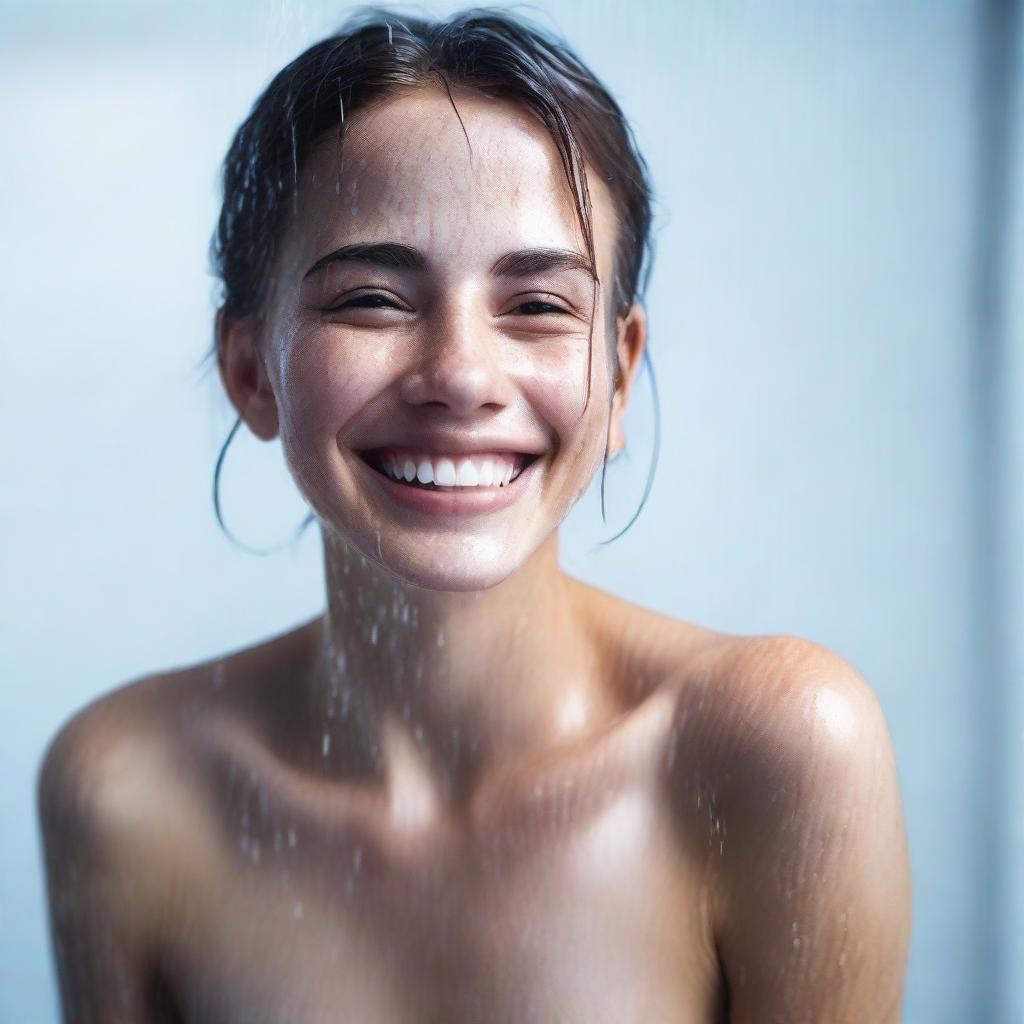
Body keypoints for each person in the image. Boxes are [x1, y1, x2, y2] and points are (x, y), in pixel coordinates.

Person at [36, 8, 912, 1022]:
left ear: (619, 377)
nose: (459, 375)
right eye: (370, 298)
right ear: (249, 369)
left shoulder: (778, 748)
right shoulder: (128, 789)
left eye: (538, 305)